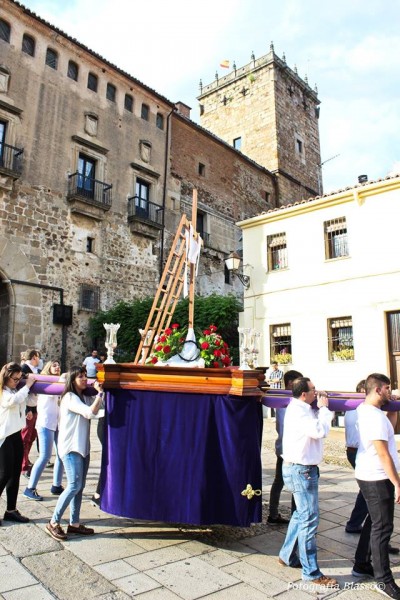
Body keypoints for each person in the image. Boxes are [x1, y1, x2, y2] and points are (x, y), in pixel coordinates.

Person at [278, 377, 337, 587]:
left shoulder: (300, 407)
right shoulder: (300, 411)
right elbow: (319, 431)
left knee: (300, 516)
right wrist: (324, 409)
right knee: (309, 520)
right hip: (301, 470)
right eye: (313, 390)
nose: (316, 392)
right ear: (304, 394)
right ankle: (311, 572)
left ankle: (286, 554)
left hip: (299, 469)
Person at [352, 373, 400, 599]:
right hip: (377, 476)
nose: (390, 392)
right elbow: (383, 454)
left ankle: (362, 564)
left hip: (369, 473)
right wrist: (397, 483)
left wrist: (393, 408)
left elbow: (388, 430)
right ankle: (384, 580)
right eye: (388, 388)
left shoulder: (369, 411)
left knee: (374, 521)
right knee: (383, 528)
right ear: (378, 389)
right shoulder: (374, 417)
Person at [45, 366, 104, 541]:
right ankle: (53, 522)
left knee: (79, 487)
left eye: (86, 376)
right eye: (81, 376)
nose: (85, 379)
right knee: (73, 485)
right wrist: (100, 394)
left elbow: (98, 410)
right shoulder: (70, 397)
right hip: (71, 448)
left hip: (82, 447)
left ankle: (74, 524)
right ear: (72, 380)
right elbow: (90, 411)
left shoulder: (84, 396)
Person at [0, 362, 36, 525]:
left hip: (15, 434)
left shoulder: (15, 389)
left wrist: (26, 412)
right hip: (4, 437)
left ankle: (11, 510)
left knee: (15, 474)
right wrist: (27, 385)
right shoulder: (3, 392)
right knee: (5, 473)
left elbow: (27, 402)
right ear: (6, 377)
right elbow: (12, 401)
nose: (16, 381)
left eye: (18, 379)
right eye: (14, 379)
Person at [23, 360, 64, 501]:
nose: (57, 367)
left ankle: (56, 485)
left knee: (61, 454)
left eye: (58, 365)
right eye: (54, 365)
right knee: (45, 456)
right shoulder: (46, 385)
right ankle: (30, 488)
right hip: (46, 424)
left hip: (57, 423)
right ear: (48, 368)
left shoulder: (59, 384)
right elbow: (52, 393)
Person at [267, 369, 302, 524]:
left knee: (280, 481)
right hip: (289, 448)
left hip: (284, 447)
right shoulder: (285, 401)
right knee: (294, 482)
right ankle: (292, 513)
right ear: (290, 384)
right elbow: (282, 426)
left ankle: (274, 513)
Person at [21, 349, 41, 475]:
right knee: (25, 437)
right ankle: (22, 464)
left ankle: (26, 460)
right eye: (38, 357)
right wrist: (27, 409)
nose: (39, 360)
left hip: (35, 406)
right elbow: (23, 389)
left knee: (32, 435)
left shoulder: (34, 370)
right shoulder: (24, 369)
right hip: (28, 408)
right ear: (34, 357)